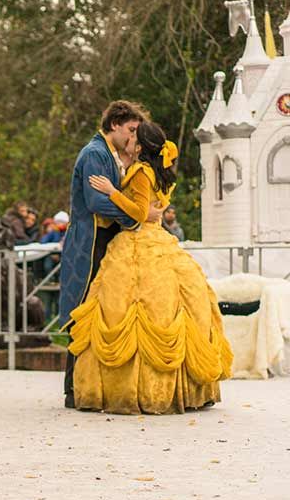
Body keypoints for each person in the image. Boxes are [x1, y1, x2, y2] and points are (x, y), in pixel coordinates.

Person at [68, 120, 233, 413]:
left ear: (141, 146)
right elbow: (152, 209)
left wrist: (111, 190)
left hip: (139, 239)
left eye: (135, 136)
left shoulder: (143, 171)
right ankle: (186, 388)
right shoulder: (158, 169)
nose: (130, 138)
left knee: (132, 301)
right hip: (156, 239)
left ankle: (138, 389)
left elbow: (140, 212)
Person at [58, 100, 162, 409]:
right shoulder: (94, 154)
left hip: (103, 238)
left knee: (101, 311)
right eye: (130, 129)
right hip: (88, 242)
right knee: (83, 311)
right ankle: (74, 388)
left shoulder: (109, 155)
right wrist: (133, 218)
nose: (133, 136)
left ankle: (91, 384)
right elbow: (95, 202)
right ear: (115, 123)